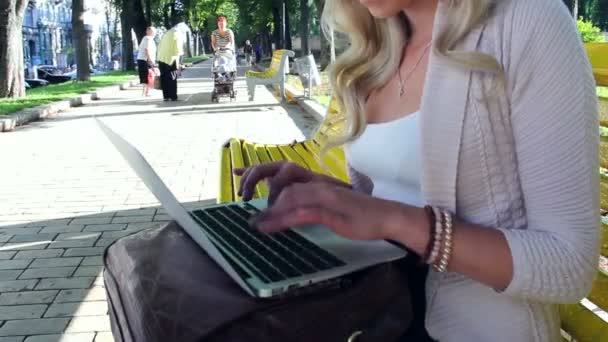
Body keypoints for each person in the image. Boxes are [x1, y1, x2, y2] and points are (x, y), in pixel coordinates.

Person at [234, 0, 600, 341]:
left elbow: (569, 264)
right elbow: (399, 198)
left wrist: (396, 220)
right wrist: (334, 198)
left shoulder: (527, 22)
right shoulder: (378, 48)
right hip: (384, 313)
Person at [157, 21, 184, 101]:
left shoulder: (166, 33)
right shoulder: (177, 34)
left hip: (161, 58)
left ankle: (166, 96)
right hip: (171, 59)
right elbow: (178, 51)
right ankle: (173, 96)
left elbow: (159, 46)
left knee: (164, 78)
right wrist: (179, 65)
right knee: (172, 78)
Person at [136, 26, 157, 97]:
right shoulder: (147, 38)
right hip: (144, 60)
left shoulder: (150, 39)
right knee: (146, 75)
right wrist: (150, 60)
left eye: (154, 31)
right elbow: (146, 50)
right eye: (152, 31)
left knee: (148, 75)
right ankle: (145, 92)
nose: (154, 33)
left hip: (145, 59)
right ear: (148, 32)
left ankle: (146, 92)